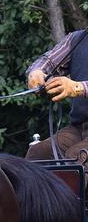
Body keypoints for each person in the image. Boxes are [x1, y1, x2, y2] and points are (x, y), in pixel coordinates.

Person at [25, 28, 88, 161]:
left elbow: (78, 87)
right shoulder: (78, 39)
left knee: (78, 158)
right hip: (78, 128)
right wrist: (36, 73)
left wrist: (79, 87)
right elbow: (48, 60)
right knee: (38, 154)